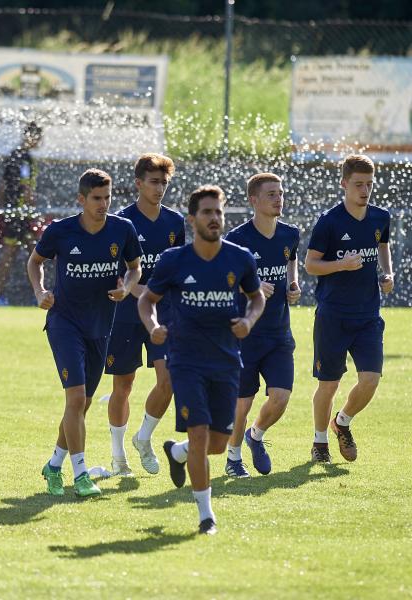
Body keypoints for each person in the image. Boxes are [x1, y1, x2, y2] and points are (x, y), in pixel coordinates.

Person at [139, 185, 264, 534]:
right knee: (198, 434)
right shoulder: (174, 260)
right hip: (186, 360)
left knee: (218, 443)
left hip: (226, 361)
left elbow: (256, 299)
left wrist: (249, 321)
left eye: (219, 212)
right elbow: (146, 301)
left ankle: (177, 453)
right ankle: (206, 516)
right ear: (192, 219)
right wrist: (153, 327)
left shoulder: (239, 258)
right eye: (207, 212)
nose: (214, 218)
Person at [28, 168, 142, 497]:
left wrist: (127, 288)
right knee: (76, 398)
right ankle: (80, 475)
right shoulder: (61, 232)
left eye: (107, 198)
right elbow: (35, 262)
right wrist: (40, 292)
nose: (103, 204)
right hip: (64, 322)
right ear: (81, 199)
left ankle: (53, 464)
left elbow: (135, 268)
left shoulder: (123, 230)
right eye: (96, 198)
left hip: (100, 326)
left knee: (83, 404)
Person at [305, 154, 393, 463]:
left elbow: (382, 246)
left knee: (370, 379)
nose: (365, 190)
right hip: (333, 315)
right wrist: (342, 265)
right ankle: (319, 442)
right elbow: (310, 265)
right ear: (344, 183)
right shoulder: (329, 221)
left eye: (369, 184)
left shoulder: (381, 217)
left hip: (368, 315)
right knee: (328, 384)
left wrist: (387, 273)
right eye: (358, 184)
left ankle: (342, 421)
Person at [104, 153, 185, 477]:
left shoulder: (175, 222)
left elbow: (177, 268)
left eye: (164, 183)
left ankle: (144, 437)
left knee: (168, 380)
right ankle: (118, 455)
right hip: (124, 313)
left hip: (162, 315)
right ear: (138, 184)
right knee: (123, 384)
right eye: (154, 182)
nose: (160, 188)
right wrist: (143, 294)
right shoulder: (120, 221)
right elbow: (116, 273)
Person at [223, 173, 301, 477]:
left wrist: (292, 283)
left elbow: (291, 259)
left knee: (280, 397)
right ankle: (233, 458)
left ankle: (255, 435)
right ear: (253, 201)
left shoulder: (290, 234)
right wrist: (249, 287)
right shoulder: (238, 239)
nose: (278, 198)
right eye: (271, 194)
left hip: (279, 332)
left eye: (280, 193)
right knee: (242, 403)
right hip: (246, 333)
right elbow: (224, 279)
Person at [0, 121, 43, 306]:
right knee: (25, 253)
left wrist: (3, 207)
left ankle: (36, 293)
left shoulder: (14, 155)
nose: (39, 141)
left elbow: (3, 186)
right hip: (20, 213)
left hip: (15, 212)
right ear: (31, 136)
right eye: (38, 137)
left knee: (30, 252)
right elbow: (26, 187)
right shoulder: (24, 158)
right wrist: (29, 204)